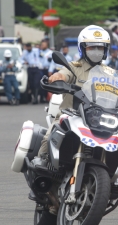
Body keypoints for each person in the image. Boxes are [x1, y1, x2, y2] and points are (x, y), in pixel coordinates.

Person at [38, 25, 113, 156]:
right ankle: (41, 164)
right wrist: (56, 77)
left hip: (98, 120)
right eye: (91, 47)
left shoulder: (109, 73)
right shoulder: (73, 67)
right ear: (83, 48)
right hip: (70, 116)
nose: (96, 51)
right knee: (48, 139)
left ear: (105, 49)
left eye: (100, 47)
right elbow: (64, 74)